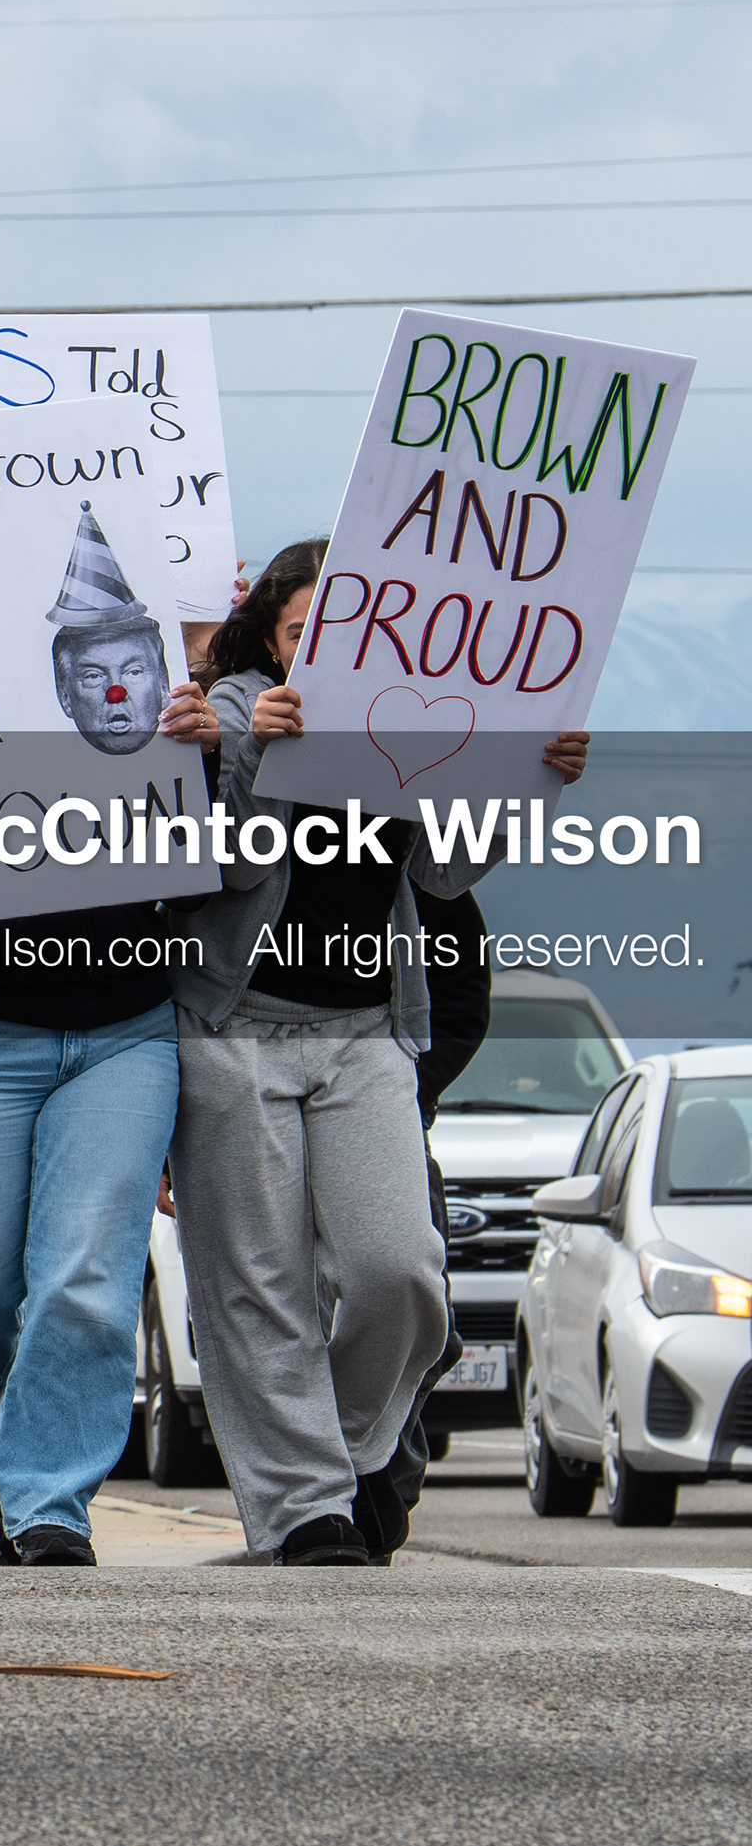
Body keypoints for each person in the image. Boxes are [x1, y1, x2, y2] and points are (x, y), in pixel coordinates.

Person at [172, 542, 563, 1566]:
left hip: (365, 1034)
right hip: (235, 1026)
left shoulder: (415, 720)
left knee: (401, 1270)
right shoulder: (234, 713)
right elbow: (205, 870)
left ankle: (342, 1457)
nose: (331, 653)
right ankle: (306, 1511)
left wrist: (529, 782)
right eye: (308, 632)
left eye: (353, 632)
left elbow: (442, 872)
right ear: (271, 635)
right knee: (255, 1282)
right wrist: (256, 760)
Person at [0, 559, 220, 1569]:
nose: (114, 686)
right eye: (90, 670)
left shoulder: (174, 730)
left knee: (86, 1280)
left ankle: (45, 1504)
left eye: (133, 665)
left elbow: (238, 852)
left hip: (122, 1034)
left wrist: (212, 736)